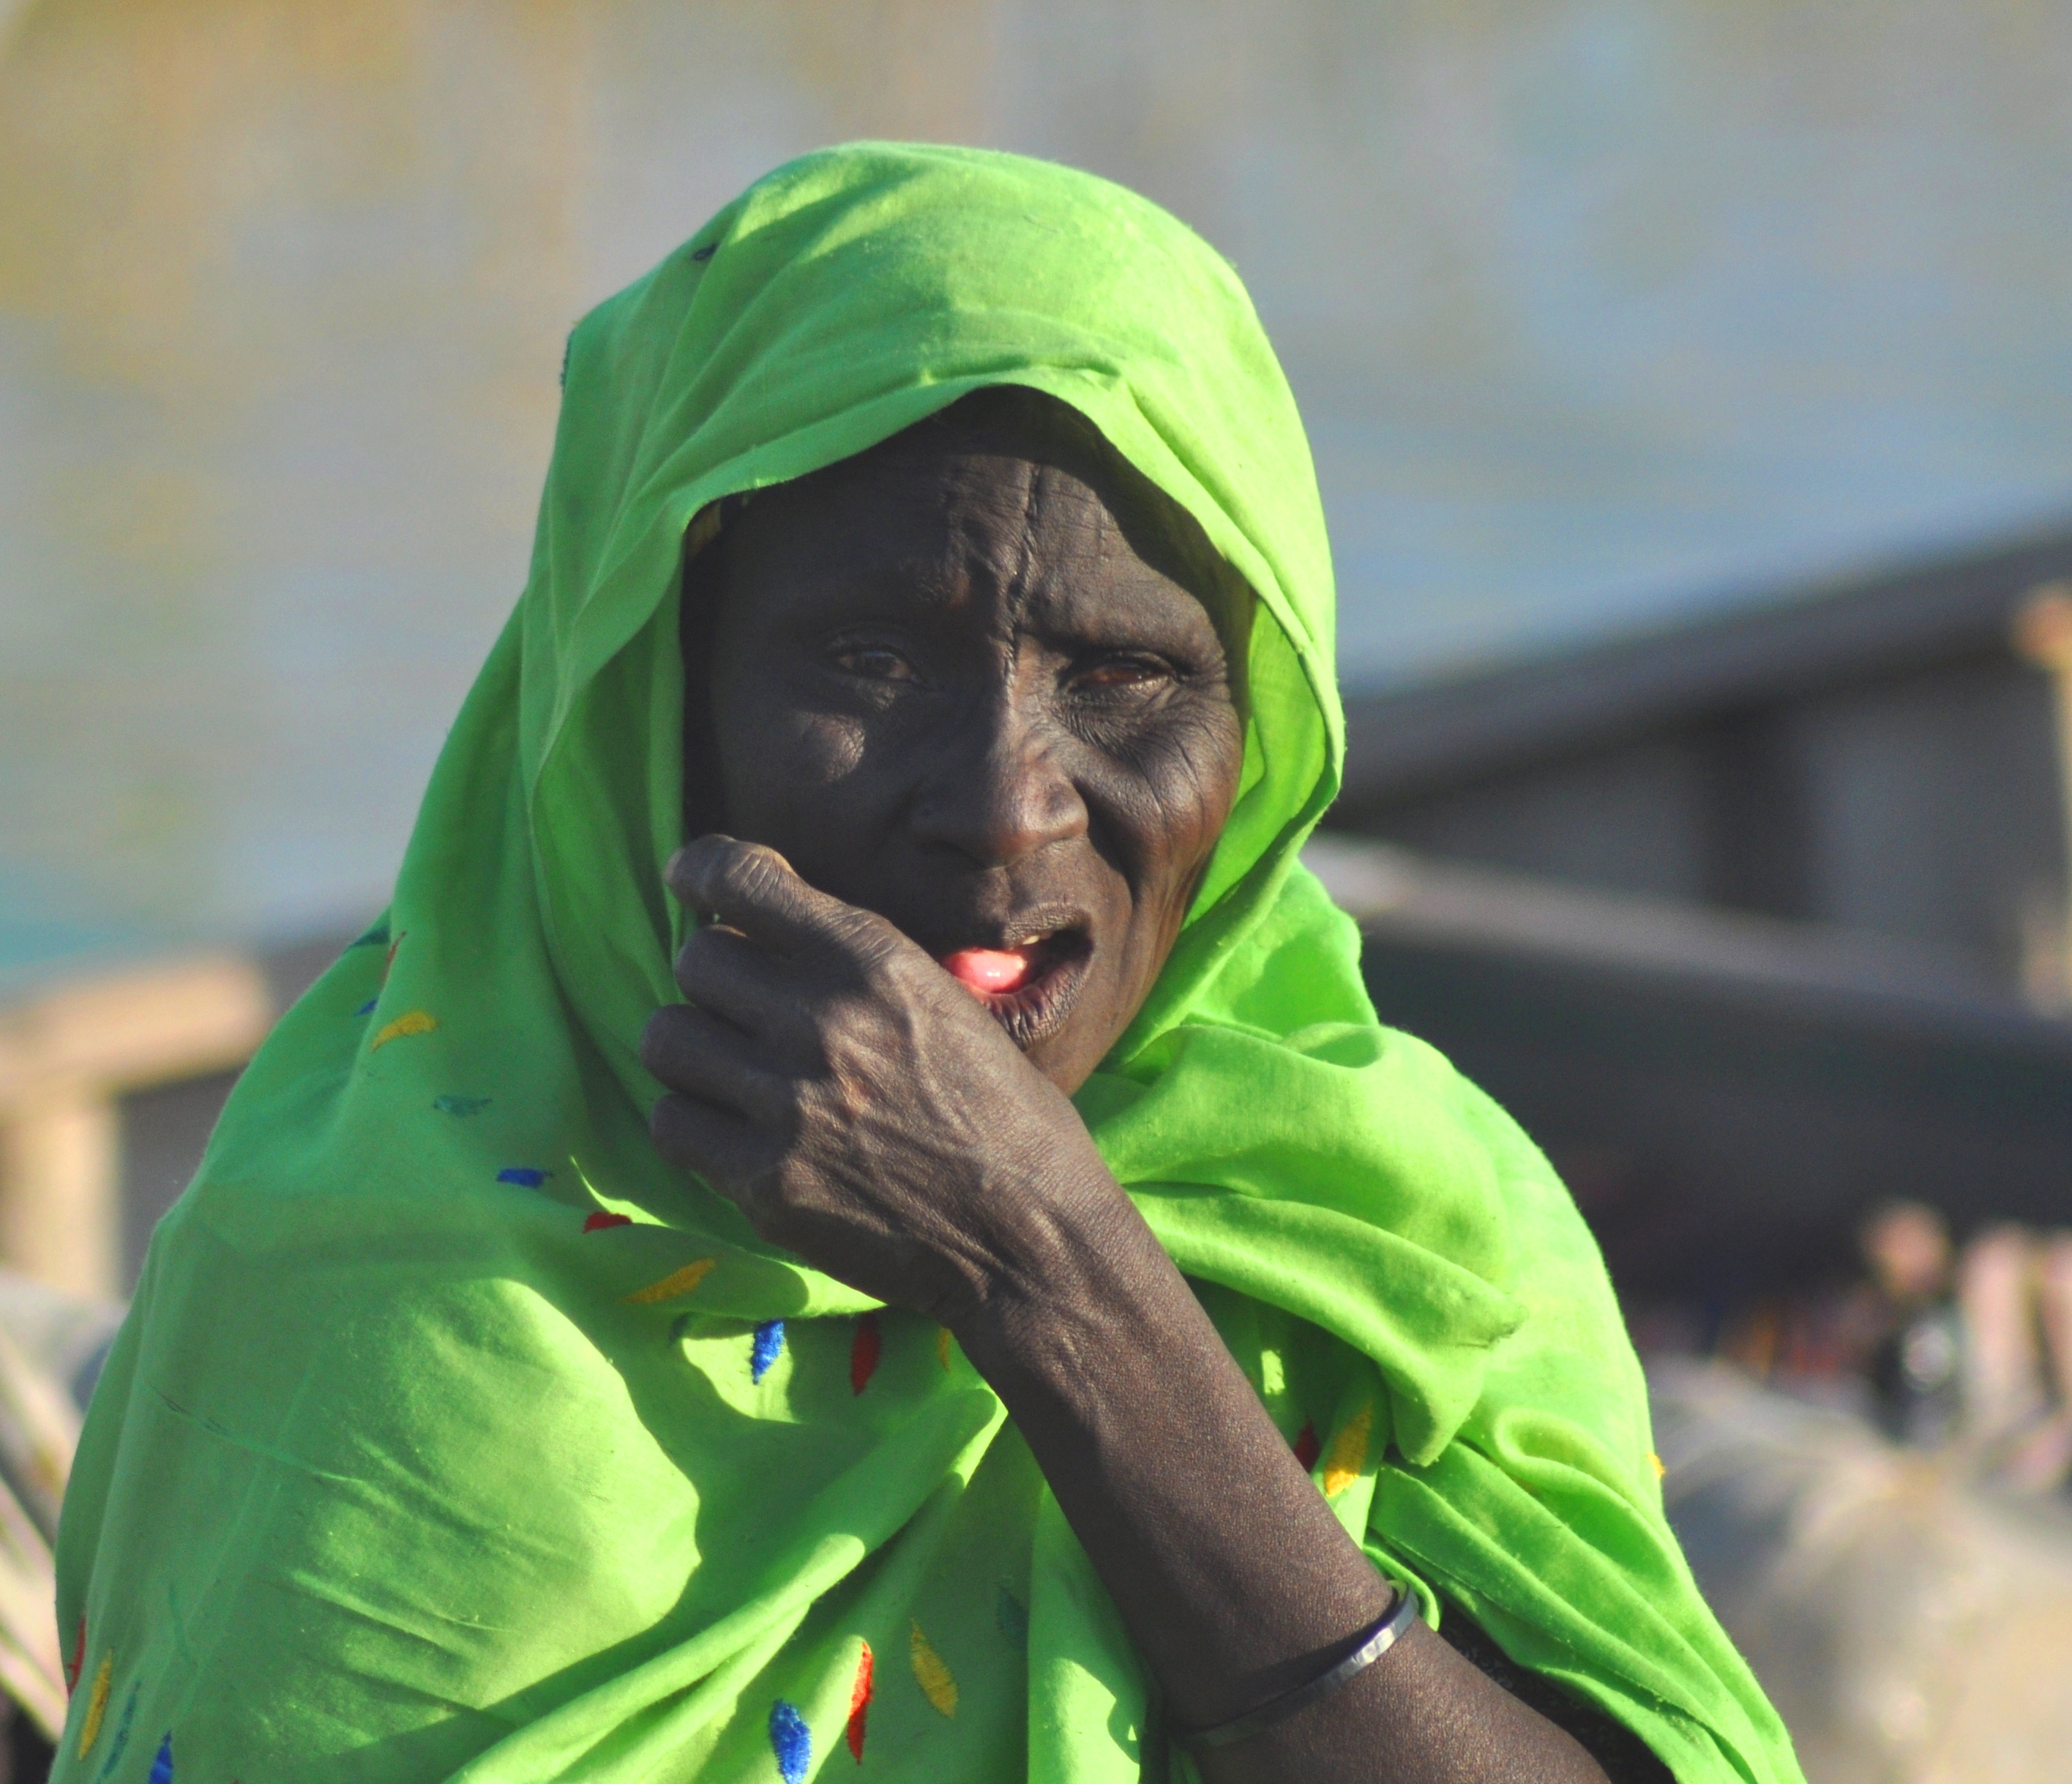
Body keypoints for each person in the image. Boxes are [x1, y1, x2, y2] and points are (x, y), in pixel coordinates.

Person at [51, 144, 1800, 1784]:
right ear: (652, 692)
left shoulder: (1392, 1226)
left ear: (1253, 739)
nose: (999, 814)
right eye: (872, 657)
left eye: (1124, 680)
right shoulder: (373, 1276)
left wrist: (1048, 1265)